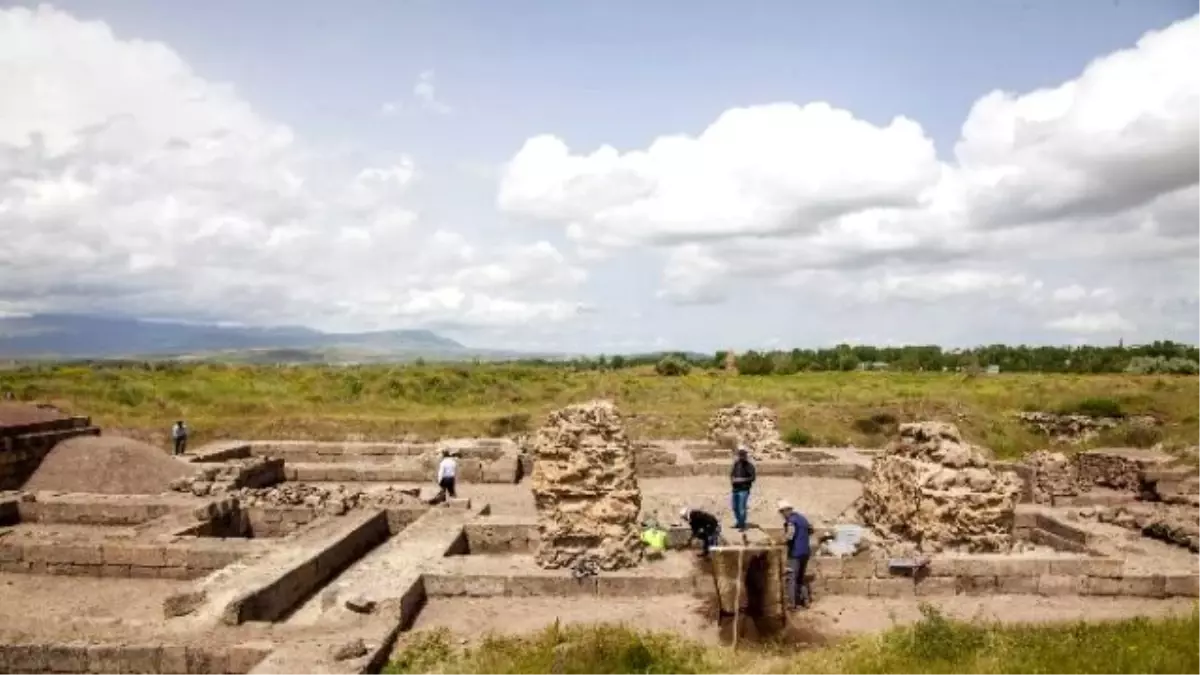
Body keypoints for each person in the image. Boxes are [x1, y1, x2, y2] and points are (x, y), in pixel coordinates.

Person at [778, 499, 813, 609]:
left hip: (795, 554)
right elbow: (811, 530)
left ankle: (791, 604)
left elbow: (789, 536)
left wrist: (778, 541)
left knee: (791, 578)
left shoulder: (791, 521)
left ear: (786, 511)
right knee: (800, 578)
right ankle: (805, 601)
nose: (782, 515)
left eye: (782, 512)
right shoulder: (802, 518)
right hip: (805, 552)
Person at [730, 446, 756, 531]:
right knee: (735, 507)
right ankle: (739, 522)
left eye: (743, 454)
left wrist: (741, 480)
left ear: (745, 455)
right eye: (740, 454)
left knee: (741, 508)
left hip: (744, 490)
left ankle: (742, 525)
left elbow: (752, 478)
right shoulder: (736, 464)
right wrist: (732, 479)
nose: (741, 456)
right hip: (735, 489)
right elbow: (732, 474)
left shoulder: (749, 466)